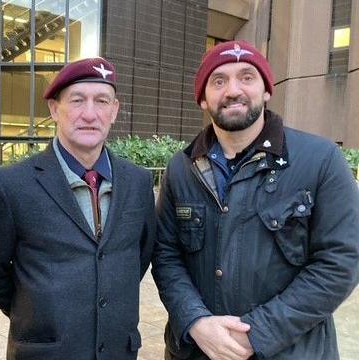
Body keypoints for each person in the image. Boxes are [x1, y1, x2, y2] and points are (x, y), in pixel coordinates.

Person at [153, 40, 359, 360]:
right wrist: (195, 320)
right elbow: (166, 255)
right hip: (197, 351)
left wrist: (258, 334)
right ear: (203, 100)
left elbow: (341, 261)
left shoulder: (321, 160)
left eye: (247, 77)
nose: (233, 90)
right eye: (218, 81)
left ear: (266, 90)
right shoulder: (181, 168)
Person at [0, 57, 156, 359]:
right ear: (53, 109)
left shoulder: (138, 182)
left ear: (114, 111)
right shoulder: (10, 185)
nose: (90, 114)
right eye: (77, 100)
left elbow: (137, 258)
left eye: (101, 101)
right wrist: (35, 311)